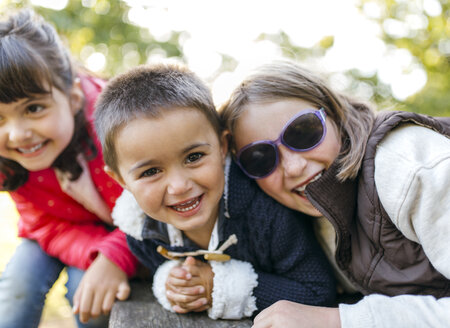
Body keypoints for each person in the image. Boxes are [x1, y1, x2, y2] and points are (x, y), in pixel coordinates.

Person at [93, 62, 336, 320]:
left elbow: (317, 290)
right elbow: (161, 270)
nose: (179, 186)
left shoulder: (268, 215)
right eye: (151, 172)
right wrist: (173, 283)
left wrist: (218, 286)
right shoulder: (142, 231)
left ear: (222, 146)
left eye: (194, 157)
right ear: (121, 180)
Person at [219, 60, 450, 327]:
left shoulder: (408, 166)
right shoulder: (307, 212)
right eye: (259, 158)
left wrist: (341, 321)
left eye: (303, 132)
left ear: (334, 112)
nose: (294, 167)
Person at [0, 9, 138, 328]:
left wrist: (115, 254)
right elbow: (43, 222)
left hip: (129, 234)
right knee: (15, 293)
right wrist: (96, 253)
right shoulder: (9, 159)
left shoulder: (117, 130)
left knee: (89, 299)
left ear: (74, 98)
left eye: (33, 109)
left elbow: (156, 211)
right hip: (59, 231)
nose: (18, 134)